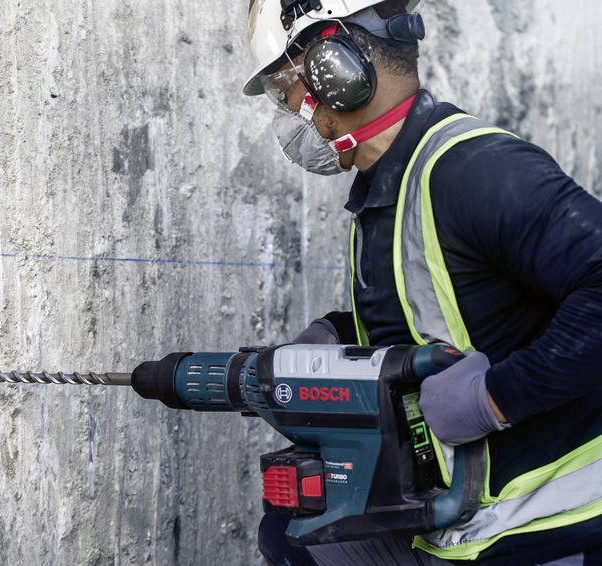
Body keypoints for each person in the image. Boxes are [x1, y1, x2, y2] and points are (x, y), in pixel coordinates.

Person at [243, 1, 602, 564]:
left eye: (286, 85)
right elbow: (452, 307)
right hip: (457, 516)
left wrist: (496, 398)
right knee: (296, 532)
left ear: (335, 67)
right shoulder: (389, 186)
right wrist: (342, 337)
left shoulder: (476, 171)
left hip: (549, 523)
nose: (287, 111)